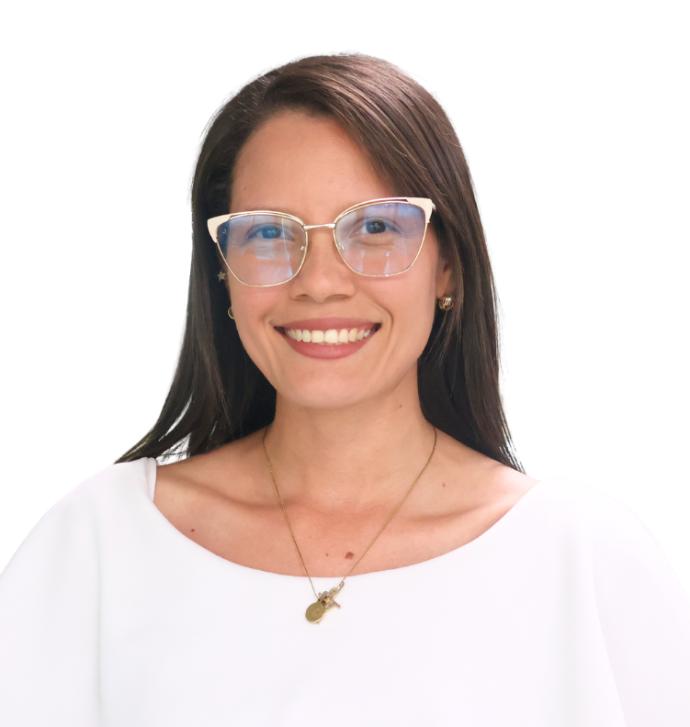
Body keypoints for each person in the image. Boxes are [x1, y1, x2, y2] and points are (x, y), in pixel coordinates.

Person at [1, 50, 688, 726]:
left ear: (448, 265)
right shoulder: (97, 545)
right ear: (221, 272)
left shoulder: (590, 561)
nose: (320, 282)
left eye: (377, 227)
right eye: (268, 232)